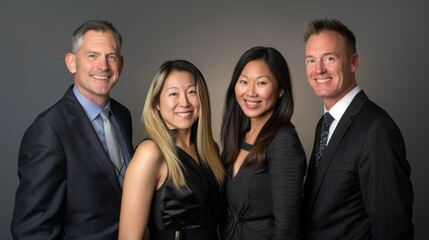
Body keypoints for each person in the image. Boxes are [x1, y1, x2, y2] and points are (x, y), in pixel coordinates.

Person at [11, 20, 133, 239]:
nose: (103, 66)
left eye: (111, 57)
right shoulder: (48, 131)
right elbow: (32, 230)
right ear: (72, 63)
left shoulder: (123, 116)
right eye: (92, 56)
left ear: (121, 64)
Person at [300, 18, 414, 239]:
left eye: (330, 58)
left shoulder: (376, 130)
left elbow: (392, 228)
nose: (318, 69)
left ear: (353, 62)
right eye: (310, 60)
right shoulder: (324, 124)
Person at [118, 60, 225, 240]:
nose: (184, 102)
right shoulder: (150, 152)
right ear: (157, 104)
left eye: (192, 92)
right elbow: (129, 237)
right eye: (173, 94)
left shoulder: (210, 149)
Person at [219, 46, 307, 240]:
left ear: (281, 89)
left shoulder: (283, 142)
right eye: (243, 82)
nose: (250, 92)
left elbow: (287, 229)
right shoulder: (240, 135)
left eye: (261, 83)